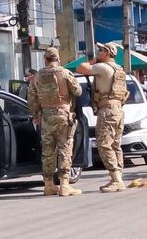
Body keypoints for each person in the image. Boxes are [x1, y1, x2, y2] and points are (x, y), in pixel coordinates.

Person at [28, 47, 82, 196]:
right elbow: (77, 91)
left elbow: (32, 99)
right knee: (65, 148)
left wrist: (36, 115)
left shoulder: (37, 76)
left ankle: (49, 184)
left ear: (45, 59)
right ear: (58, 59)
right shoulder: (64, 73)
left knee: (48, 150)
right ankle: (64, 184)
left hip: (46, 116)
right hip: (63, 114)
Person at [76, 42, 129, 193]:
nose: (98, 53)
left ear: (108, 53)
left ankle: (116, 179)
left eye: (101, 51)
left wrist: (94, 61)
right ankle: (118, 177)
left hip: (107, 109)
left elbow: (80, 68)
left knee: (104, 144)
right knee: (115, 144)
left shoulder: (103, 67)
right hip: (117, 109)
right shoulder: (119, 69)